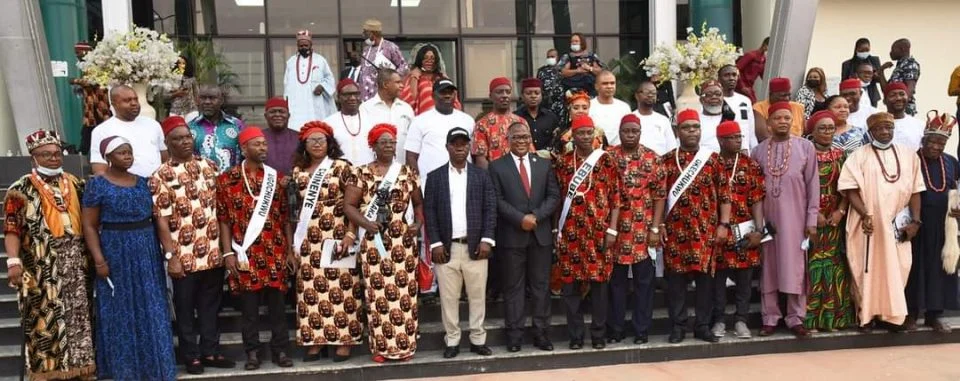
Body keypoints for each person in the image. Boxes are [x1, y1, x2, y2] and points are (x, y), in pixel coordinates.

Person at [81, 136, 176, 380]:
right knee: (119, 308)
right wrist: (99, 260)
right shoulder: (97, 185)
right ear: (108, 157)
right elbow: (89, 225)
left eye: (129, 152)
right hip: (115, 249)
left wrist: (168, 252)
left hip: (146, 250)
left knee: (152, 306)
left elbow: (158, 219)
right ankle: (125, 369)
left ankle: (155, 367)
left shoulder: (144, 183)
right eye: (121, 152)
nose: (127, 156)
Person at [4, 130, 96, 380]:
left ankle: (80, 370)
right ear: (33, 158)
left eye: (57, 154)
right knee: (43, 320)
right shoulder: (19, 189)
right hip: (40, 265)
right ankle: (49, 373)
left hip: (77, 262)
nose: (54, 158)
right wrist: (13, 261)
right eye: (46, 154)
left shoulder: (76, 183)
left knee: (79, 318)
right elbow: (12, 229)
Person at [150, 116, 233, 374]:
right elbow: (161, 220)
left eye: (187, 137)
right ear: (167, 143)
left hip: (213, 253)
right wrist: (170, 256)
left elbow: (221, 208)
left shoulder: (209, 166)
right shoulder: (160, 175)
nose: (185, 142)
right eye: (178, 139)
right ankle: (191, 356)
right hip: (183, 256)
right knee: (185, 310)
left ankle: (211, 351)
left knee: (211, 307)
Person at [343, 123, 425, 362]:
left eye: (392, 142)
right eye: (383, 142)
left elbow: (419, 203)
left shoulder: (407, 172)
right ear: (373, 146)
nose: (389, 146)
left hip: (403, 242)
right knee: (378, 294)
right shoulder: (360, 173)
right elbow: (349, 206)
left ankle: (405, 346)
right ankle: (382, 348)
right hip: (373, 242)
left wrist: (418, 224)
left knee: (404, 294)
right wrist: (366, 224)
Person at [216, 128, 294, 370]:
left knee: (277, 307)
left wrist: (290, 251)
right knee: (249, 309)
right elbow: (224, 220)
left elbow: (285, 218)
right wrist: (227, 253)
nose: (263, 148)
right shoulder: (227, 180)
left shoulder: (275, 178)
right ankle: (252, 353)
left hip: (275, 251)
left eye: (264, 144)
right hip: (245, 254)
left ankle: (281, 350)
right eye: (257, 144)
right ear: (243, 148)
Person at [838, 112, 924, 331]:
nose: (885, 132)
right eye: (879, 129)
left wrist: (915, 222)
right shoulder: (859, 156)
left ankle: (892, 317)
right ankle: (867, 316)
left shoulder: (909, 155)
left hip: (898, 225)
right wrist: (865, 213)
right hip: (867, 223)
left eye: (889, 128)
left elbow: (916, 190)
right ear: (871, 132)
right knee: (866, 269)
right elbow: (850, 188)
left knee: (898, 268)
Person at [286, 121, 360, 361]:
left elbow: (354, 204)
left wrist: (350, 234)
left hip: (338, 235)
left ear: (329, 143)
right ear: (304, 145)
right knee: (310, 289)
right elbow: (292, 209)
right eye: (312, 140)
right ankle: (315, 340)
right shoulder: (297, 172)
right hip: (308, 239)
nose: (317, 144)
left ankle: (344, 340)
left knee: (342, 288)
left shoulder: (342, 167)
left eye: (322, 140)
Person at [424, 127, 497, 359]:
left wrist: (487, 240)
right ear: (447, 147)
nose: (459, 148)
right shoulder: (435, 177)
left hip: (476, 247)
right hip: (447, 248)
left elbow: (490, 209)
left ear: (469, 147)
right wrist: (435, 243)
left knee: (477, 296)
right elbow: (429, 212)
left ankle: (478, 339)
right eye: (455, 144)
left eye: (464, 144)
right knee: (448, 298)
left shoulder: (481, 175)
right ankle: (452, 340)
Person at [661, 109, 732, 344]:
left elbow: (725, 195)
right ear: (677, 131)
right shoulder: (667, 160)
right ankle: (678, 326)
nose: (692, 131)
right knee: (676, 282)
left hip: (706, 231)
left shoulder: (712, 160)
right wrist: (658, 225)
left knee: (705, 281)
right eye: (686, 127)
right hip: (675, 231)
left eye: (695, 127)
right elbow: (659, 196)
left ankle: (702, 325)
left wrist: (723, 224)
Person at [488, 122, 560, 352]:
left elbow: (553, 196)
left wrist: (536, 216)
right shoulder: (496, 166)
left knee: (541, 287)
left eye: (525, 137)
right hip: (512, 236)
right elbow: (497, 200)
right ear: (508, 140)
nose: (521, 141)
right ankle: (514, 336)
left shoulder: (544, 165)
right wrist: (520, 219)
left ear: (530, 139)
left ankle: (542, 334)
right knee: (513, 288)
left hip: (540, 235)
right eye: (516, 137)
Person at [553, 115, 622, 350]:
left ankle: (598, 334)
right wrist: (556, 229)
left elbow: (616, 198)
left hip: (599, 233)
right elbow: (557, 198)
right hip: (570, 233)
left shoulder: (607, 161)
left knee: (600, 286)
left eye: (589, 132)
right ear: (573, 136)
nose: (585, 137)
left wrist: (612, 229)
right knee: (570, 287)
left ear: (595, 134)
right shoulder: (563, 163)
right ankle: (576, 336)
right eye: (580, 133)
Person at [752, 102, 819, 338]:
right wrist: (757, 225)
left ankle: (795, 318)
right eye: (778, 118)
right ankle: (770, 317)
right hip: (767, 220)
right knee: (769, 267)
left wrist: (811, 219)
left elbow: (813, 186)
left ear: (793, 121)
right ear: (769, 123)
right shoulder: (758, 151)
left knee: (795, 267)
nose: (783, 122)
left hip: (796, 219)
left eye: (787, 118)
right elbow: (754, 190)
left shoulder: (805, 147)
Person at [606, 114, 665, 345]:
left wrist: (655, 228)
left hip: (643, 231)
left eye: (634, 131)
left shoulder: (653, 158)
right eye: (626, 131)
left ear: (640, 132)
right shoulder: (609, 157)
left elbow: (660, 196)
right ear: (619, 132)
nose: (630, 135)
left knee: (644, 284)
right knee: (616, 284)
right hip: (616, 231)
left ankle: (641, 330)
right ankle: (616, 329)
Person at [905, 112, 959, 333]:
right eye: (932, 142)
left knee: (939, 269)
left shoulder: (951, 162)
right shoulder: (912, 159)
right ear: (923, 140)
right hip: (917, 222)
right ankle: (911, 314)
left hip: (943, 224)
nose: (936, 147)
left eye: (941, 143)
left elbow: (955, 189)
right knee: (915, 268)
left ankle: (934, 315)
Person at [711, 121, 765, 340]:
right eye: (732, 138)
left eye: (739, 137)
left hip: (744, 228)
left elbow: (757, 199)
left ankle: (741, 320)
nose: (737, 141)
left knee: (745, 278)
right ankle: (719, 320)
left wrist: (760, 230)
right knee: (718, 279)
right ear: (720, 140)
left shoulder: (750, 165)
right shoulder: (711, 163)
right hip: (719, 230)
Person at [804, 111, 857, 332]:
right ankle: (811, 319)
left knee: (834, 263)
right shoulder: (805, 154)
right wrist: (813, 213)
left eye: (830, 128)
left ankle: (833, 319)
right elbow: (799, 187)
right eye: (822, 128)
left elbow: (848, 186)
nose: (827, 132)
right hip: (810, 216)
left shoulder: (841, 155)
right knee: (813, 264)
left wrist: (840, 211)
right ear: (812, 131)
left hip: (835, 216)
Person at [405, 79, 476, 183]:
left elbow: (474, 153)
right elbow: (411, 157)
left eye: (450, 93)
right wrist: (417, 185)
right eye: (443, 92)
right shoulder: (419, 121)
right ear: (433, 96)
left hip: (463, 182)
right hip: (429, 183)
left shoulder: (468, 120)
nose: (447, 96)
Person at [90, 85, 167, 177]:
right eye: (127, 100)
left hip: (156, 182)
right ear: (114, 105)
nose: (134, 103)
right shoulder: (101, 130)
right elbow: (99, 169)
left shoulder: (153, 124)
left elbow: (165, 158)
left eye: (136, 99)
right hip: (123, 184)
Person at [284, 30, 337, 130]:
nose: (303, 47)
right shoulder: (290, 62)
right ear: (297, 46)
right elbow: (286, 84)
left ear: (311, 45)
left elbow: (329, 78)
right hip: (297, 104)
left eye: (306, 45)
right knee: (296, 129)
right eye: (301, 46)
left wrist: (322, 86)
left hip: (315, 103)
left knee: (316, 129)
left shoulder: (320, 60)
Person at [473, 77, 529, 169]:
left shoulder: (521, 122)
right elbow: (481, 159)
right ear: (490, 96)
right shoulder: (482, 124)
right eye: (499, 92)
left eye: (508, 92)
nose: (505, 95)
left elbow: (529, 153)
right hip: (494, 175)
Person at [361, 68, 415, 163]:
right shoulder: (365, 108)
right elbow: (362, 140)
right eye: (397, 82)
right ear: (385, 84)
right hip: (375, 168)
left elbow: (413, 140)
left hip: (402, 167)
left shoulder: (406, 108)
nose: (402, 86)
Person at [189, 84, 245, 173]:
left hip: (232, 180)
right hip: (201, 180)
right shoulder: (190, 127)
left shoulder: (236, 125)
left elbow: (246, 154)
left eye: (212, 98)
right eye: (203, 98)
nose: (207, 102)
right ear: (197, 100)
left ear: (221, 100)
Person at [71, 41, 111, 155]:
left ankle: (82, 154)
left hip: (100, 106)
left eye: (78, 52)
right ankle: (83, 153)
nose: (77, 55)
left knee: (92, 132)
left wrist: (75, 81)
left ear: (85, 52)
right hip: (91, 108)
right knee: (88, 131)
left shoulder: (97, 65)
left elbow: (93, 81)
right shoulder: (86, 66)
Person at [326, 78, 376, 165]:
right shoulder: (328, 123)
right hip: (340, 171)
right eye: (347, 95)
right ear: (338, 97)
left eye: (356, 94)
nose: (352, 98)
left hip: (368, 170)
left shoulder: (372, 120)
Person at [401, 43, 461, 115]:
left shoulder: (441, 77)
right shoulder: (414, 77)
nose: (429, 61)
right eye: (425, 58)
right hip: (424, 117)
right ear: (420, 60)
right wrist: (414, 78)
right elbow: (410, 101)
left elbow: (454, 100)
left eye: (432, 58)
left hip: (444, 118)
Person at [357, 19, 408, 101]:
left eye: (365, 33)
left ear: (373, 34)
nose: (363, 36)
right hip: (365, 98)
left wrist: (390, 77)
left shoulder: (390, 47)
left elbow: (404, 67)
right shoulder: (366, 50)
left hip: (383, 96)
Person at [632, 79, 676, 155]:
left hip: (660, 160)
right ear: (637, 96)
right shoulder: (630, 119)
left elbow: (671, 148)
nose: (650, 95)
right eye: (647, 92)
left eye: (653, 93)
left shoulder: (663, 120)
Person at [515, 78, 560, 152]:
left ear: (541, 95)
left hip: (546, 157)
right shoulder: (515, 117)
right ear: (522, 95)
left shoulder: (551, 117)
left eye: (537, 93)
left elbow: (556, 141)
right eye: (529, 93)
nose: (533, 96)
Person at [719, 64, 758, 150]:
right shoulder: (714, 101)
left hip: (744, 150)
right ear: (719, 79)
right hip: (721, 150)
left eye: (734, 75)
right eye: (727, 75)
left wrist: (754, 150)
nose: (731, 78)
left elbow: (751, 130)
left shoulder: (745, 101)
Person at [589, 71, 632, 146]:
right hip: (594, 150)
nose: (609, 86)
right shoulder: (588, 106)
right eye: (605, 83)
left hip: (619, 149)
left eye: (612, 83)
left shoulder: (624, 107)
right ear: (596, 86)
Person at [880, 38, 921, 116]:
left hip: (904, 110)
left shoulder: (910, 64)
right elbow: (886, 90)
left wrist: (901, 107)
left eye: (893, 49)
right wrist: (881, 71)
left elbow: (910, 89)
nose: (890, 53)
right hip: (894, 108)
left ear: (902, 49)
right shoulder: (900, 66)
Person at [262, 97, 300, 175]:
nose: (277, 114)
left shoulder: (299, 137)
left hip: (294, 181)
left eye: (281, 111)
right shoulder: (258, 137)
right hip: (264, 181)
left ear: (288, 115)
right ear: (265, 116)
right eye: (272, 112)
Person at [841, 38, 882, 108]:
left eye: (867, 50)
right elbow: (844, 82)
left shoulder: (874, 60)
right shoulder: (847, 64)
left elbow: (879, 79)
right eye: (862, 50)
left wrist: (874, 75)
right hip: (854, 95)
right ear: (856, 49)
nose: (864, 52)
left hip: (871, 94)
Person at [885, 82, 924, 151]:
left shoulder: (920, 125)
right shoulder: (877, 124)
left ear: (908, 98)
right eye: (893, 95)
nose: (898, 98)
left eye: (902, 94)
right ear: (885, 100)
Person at [697, 79, 730, 152]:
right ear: (701, 100)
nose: (714, 97)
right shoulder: (695, 121)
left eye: (718, 94)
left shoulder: (730, 118)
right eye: (708, 95)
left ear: (723, 98)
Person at [736, 37, 769, 102]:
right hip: (741, 85)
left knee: (754, 103)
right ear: (765, 45)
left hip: (749, 86)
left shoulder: (763, 59)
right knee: (752, 103)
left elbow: (764, 76)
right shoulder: (750, 55)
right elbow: (736, 69)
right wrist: (742, 86)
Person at [537, 49, 565, 122]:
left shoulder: (563, 70)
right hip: (546, 104)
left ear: (557, 57)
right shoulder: (542, 71)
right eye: (548, 57)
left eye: (552, 56)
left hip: (560, 104)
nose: (550, 59)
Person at [169, 55, 200, 120]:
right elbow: (165, 95)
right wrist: (176, 94)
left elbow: (197, 94)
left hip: (191, 109)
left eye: (183, 63)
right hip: (176, 110)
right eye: (179, 63)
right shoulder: (170, 79)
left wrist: (197, 104)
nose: (181, 65)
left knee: (192, 125)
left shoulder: (191, 79)